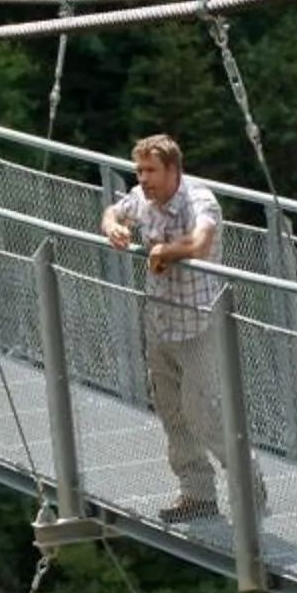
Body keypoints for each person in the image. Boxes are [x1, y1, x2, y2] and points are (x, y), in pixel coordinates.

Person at [101, 134, 252, 522]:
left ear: (173, 170)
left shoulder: (199, 200)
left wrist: (165, 251)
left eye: (151, 170)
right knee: (172, 412)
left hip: (197, 323)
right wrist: (113, 227)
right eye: (139, 170)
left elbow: (201, 241)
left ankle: (249, 487)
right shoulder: (142, 197)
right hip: (160, 321)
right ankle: (197, 495)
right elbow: (113, 211)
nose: (143, 178)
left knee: (204, 413)